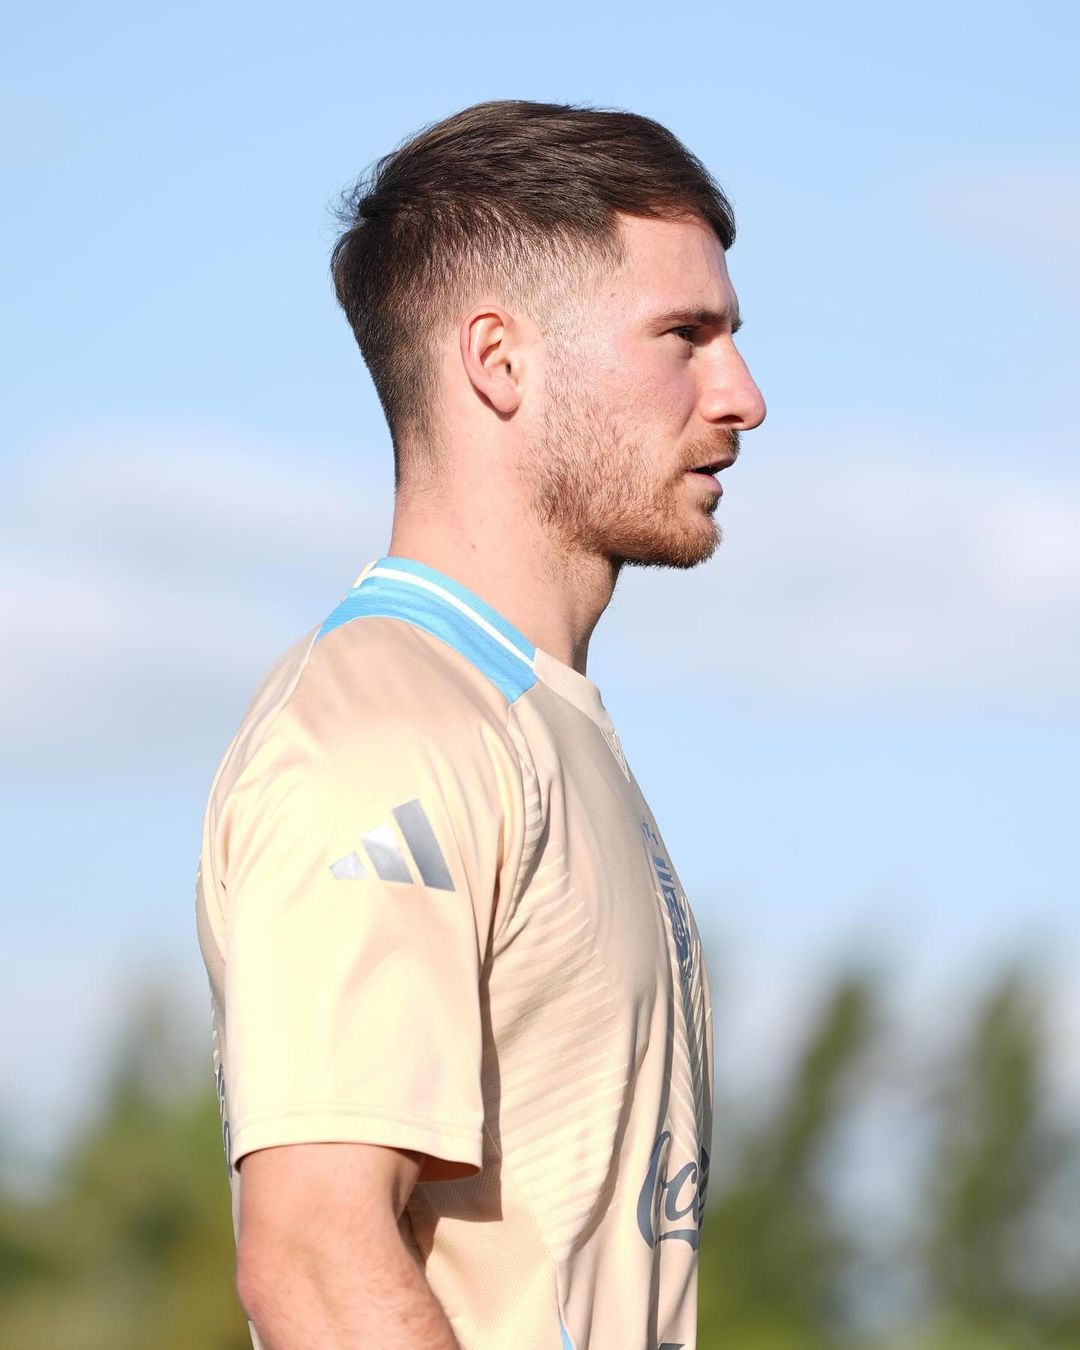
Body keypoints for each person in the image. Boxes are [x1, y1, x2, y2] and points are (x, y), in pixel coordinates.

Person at [194, 97, 766, 1350]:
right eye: (686, 334)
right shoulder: (385, 730)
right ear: (500, 361)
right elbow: (316, 1262)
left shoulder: (534, 722)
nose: (744, 395)